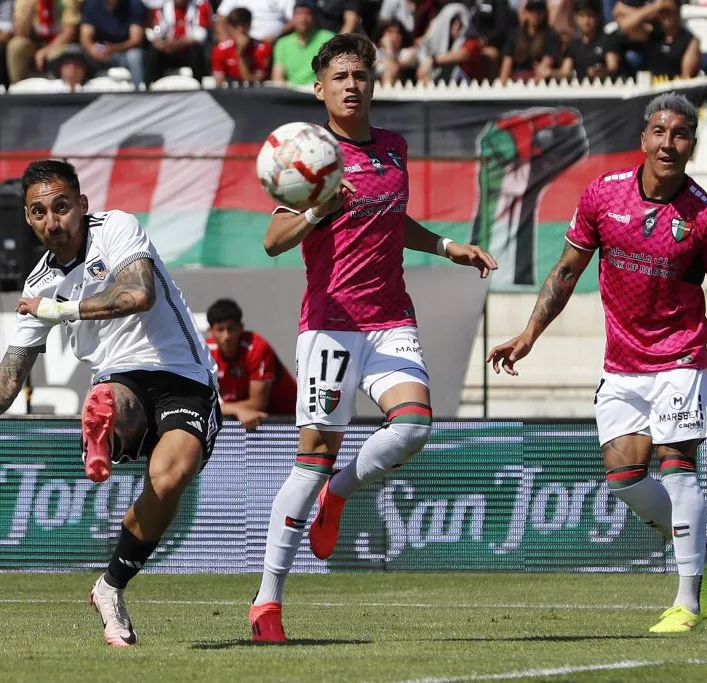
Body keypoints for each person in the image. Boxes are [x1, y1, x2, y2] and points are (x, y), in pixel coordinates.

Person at [252, 32, 498, 643]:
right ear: (321, 88)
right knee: (309, 459)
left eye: (361, 74)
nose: (352, 85)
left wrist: (445, 246)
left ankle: (340, 493)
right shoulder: (308, 153)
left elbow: (394, 220)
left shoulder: (393, 147)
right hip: (330, 325)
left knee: (413, 425)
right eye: (340, 77)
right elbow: (273, 240)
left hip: (390, 316)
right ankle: (267, 605)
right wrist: (320, 206)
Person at [486, 92, 707, 634]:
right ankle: (706, 553)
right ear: (643, 139)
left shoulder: (706, 217)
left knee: (678, 471)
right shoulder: (602, 196)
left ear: (692, 146)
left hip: (680, 357)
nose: (668, 142)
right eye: (660, 131)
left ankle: (687, 600)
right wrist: (528, 335)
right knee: (625, 479)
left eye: (680, 134)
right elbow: (566, 273)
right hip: (622, 363)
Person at [0, 159, 220, 647]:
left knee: (170, 477)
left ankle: (110, 586)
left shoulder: (116, 228)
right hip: (122, 376)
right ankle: (105, 422)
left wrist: (58, 309)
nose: (52, 222)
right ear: (28, 220)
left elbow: (138, 293)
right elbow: (12, 373)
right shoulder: (39, 282)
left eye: (60, 207)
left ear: (81, 204)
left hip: (184, 373)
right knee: (112, 397)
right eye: (38, 213)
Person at [206, 298, 297, 430]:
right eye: (220, 329)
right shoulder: (206, 351)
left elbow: (257, 405)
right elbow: (198, 402)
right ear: (211, 331)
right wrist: (236, 410)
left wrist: (224, 408)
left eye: (231, 329)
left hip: (286, 418)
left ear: (241, 328)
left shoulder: (257, 348)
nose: (226, 336)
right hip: (246, 418)